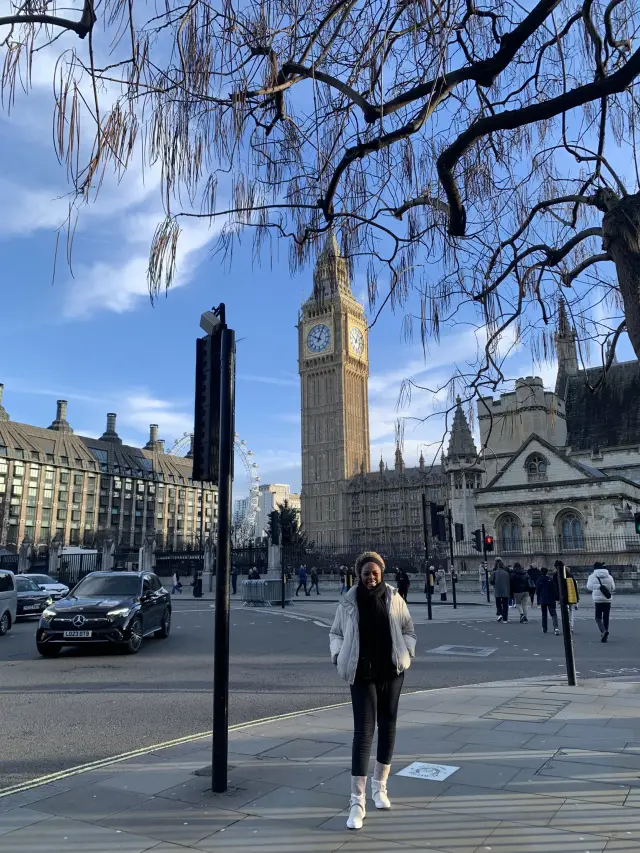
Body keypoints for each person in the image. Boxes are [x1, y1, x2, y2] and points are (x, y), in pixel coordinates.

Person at [329, 551, 416, 831]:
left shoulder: (394, 598)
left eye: (374, 572)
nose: (370, 577)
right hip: (361, 673)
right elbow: (335, 634)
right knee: (363, 732)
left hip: (391, 673)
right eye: (366, 573)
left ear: (382, 573)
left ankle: (380, 787)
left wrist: (407, 654)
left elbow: (408, 629)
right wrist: (337, 655)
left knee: (388, 727)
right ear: (359, 574)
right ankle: (357, 801)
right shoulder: (348, 602)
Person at [587, 562, 615, 642]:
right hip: (607, 599)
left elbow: (589, 587)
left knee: (598, 617)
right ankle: (605, 631)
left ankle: (603, 631)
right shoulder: (609, 576)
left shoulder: (592, 576)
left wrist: (596, 588)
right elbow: (613, 588)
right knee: (606, 617)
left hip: (597, 600)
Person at [536, 567, 560, 635]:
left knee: (544, 614)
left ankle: (544, 628)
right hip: (551, 599)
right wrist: (557, 598)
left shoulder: (539, 580)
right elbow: (554, 590)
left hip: (543, 599)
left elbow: (538, 591)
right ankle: (556, 627)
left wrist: (538, 601)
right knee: (553, 613)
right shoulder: (550, 579)